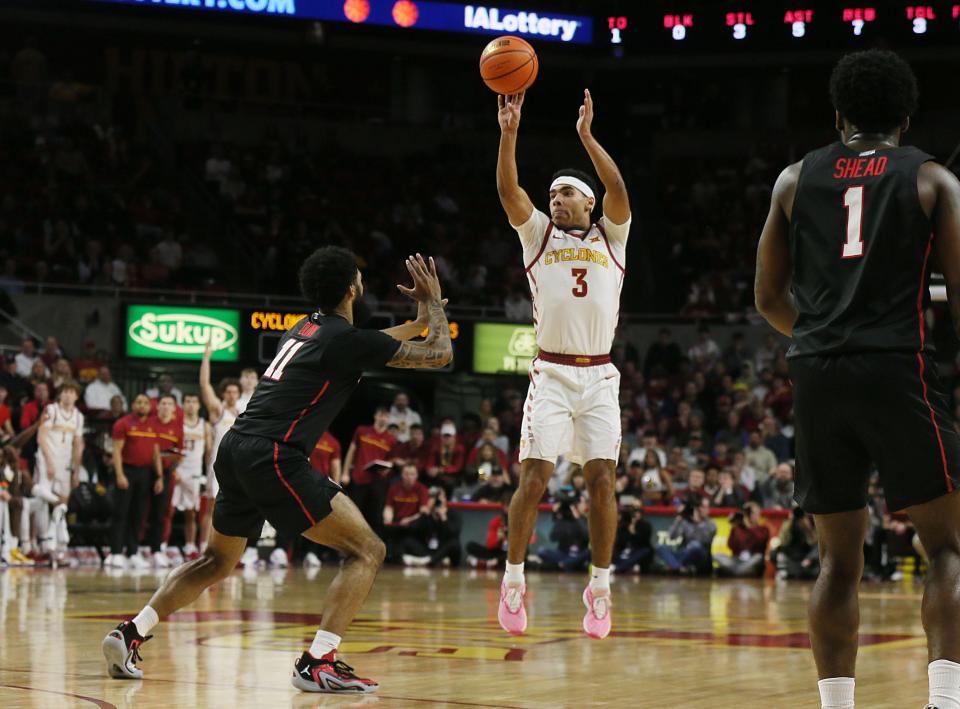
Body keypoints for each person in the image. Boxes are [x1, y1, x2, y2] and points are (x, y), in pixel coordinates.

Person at [102, 248, 451, 694]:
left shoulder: (306, 328)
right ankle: (319, 661)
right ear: (352, 288)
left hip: (235, 449)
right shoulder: (345, 341)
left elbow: (393, 338)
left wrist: (422, 317)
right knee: (367, 551)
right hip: (274, 454)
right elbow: (438, 354)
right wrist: (436, 303)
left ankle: (130, 632)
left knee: (215, 561)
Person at [754, 50, 960, 709]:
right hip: (901, 366)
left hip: (816, 371)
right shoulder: (932, 179)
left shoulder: (793, 178)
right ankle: (946, 702)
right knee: (948, 548)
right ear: (905, 118)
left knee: (837, 562)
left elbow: (767, 297)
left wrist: (823, 338)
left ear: (838, 116)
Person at [495, 88, 631, 639]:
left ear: (588, 204)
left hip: (599, 375)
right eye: (551, 193)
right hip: (550, 372)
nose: (555, 199)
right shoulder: (538, 236)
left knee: (602, 481)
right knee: (536, 478)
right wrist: (509, 133)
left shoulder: (612, 237)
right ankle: (512, 578)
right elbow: (509, 190)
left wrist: (586, 138)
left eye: (566, 193)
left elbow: (619, 188)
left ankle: (599, 588)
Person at [105, 394, 159, 570]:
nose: (141, 406)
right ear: (133, 405)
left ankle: (133, 552)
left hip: (145, 473)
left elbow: (156, 452)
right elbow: (116, 451)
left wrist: (158, 476)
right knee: (121, 512)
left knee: (139, 514)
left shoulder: (153, 425)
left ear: (149, 406)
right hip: (127, 471)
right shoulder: (123, 423)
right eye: (138, 402)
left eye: (145, 403)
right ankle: (115, 552)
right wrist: (119, 474)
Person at [34, 380, 84, 559]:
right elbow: (41, 437)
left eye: (72, 392)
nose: (68, 395)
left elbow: (78, 444)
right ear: (60, 394)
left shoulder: (78, 416)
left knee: (62, 503)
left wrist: (76, 470)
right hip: (47, 458)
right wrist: (48, 462)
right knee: (41, 499)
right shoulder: (51, 410)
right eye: (65, 392)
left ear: (77, 396)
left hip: (65, 463)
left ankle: (56, 541)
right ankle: (37, 542)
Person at [198, 345, 242, 547]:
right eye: (229, 391)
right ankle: (202, 547)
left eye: (235, 392)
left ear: (239, 395)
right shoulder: (218, 411)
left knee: (236, 509)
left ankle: (227, 550)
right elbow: (205, 385)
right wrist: (206, 358)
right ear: (224, 394)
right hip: (217, 467)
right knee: (212, 507)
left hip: (238, 468)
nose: (232, 395)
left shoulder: (244, 415)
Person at [342, 407, 396, 535]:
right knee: (353, 514)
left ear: (389, 419)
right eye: (381, 415)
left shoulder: (391, 439)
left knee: (375, 517)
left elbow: (391, 461)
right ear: (375, 416)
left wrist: (386, 470)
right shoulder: (362, 431)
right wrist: (345, 473)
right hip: (359, 478)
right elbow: (351, 451)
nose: (383, 418)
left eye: (386, 416)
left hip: (377, 482)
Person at [171, 393, 211, 559]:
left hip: (194, 473)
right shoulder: (176, 423)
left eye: (194, 401)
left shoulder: (205, 425)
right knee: (168, 511)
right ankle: (162, 546)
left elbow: (208, 453)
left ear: (199, 405)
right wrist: (173, 470)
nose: (190, 405)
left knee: (192, 512)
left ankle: (190, 546)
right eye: (187, 401)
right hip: (178, 471)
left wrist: (208, 473)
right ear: (183, 404)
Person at [655, 498, 716, 575]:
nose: (706, 510)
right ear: (696, 508)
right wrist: (679, 518)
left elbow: (704, 540)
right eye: (703, 507)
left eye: (707, 507)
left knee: (695, 545)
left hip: (701, 556)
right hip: (683, 553)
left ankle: (675, 566)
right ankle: (679, 568)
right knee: (660, 546)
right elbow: (671, 537)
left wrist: (696, 522)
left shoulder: (711, 524)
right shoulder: (685, 521)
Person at [715, 502, 770, 578]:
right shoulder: (738, 529)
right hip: (737, 560)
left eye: (757, 513)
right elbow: (731, 545)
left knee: (759, 557)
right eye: (751, 513)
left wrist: (749, 527)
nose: (756, 515)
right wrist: (735, 527)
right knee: (717, 555)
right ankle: (738, 571)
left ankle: (735, 572)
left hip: (752, 560)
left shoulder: (763, 529)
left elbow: (759, 541)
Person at [613, 503, 653, 574]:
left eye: (637, 513)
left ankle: (619, 567)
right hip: (629, 549)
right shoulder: (625, 525)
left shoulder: (646, 525)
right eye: (634, 513)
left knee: (643, 552)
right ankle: (618, 566)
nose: (635, 515)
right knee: (621, 553)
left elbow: (644, 540)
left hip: (641, 548)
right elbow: (621, 541)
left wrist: (633, 533)